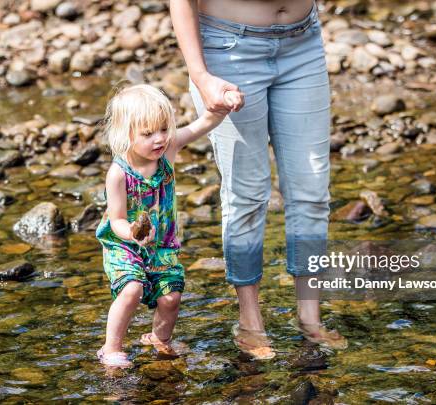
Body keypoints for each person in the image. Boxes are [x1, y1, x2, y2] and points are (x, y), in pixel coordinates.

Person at [170, 0, 348, 360]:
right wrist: (200, 75)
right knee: (247, 194)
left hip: (303, 43)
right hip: (228, 49)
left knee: (312, 190)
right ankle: (250, 320)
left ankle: (309, 316)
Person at [95, 84, 243, 368]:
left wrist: (225, 102)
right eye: (148, 134)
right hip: (125, 243)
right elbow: (116, 221)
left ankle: (158, 339)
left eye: (163, 129)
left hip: (162, 243)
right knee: (131, 290)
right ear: (127, 135)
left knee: (171, 297)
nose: (159, 139)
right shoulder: (118, 174)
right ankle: (110, 348)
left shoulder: (169, 150)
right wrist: (134, 234)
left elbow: (205, 123)